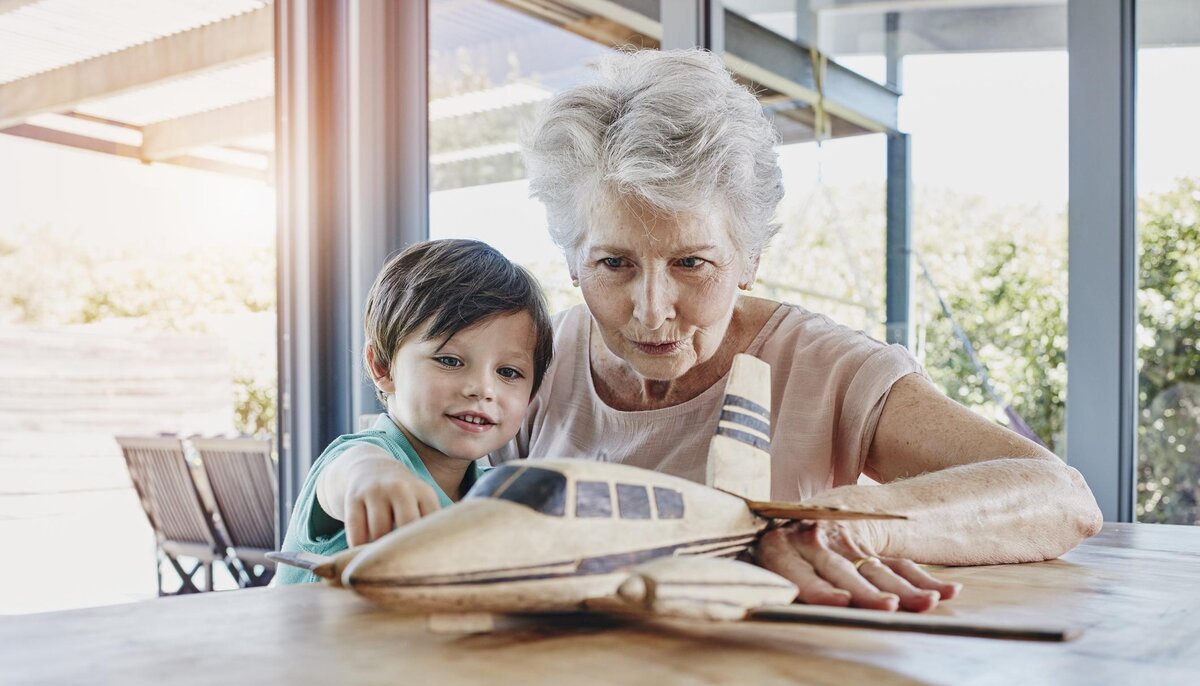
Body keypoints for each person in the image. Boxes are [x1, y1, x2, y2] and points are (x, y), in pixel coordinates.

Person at [492, 48, 1103, 612]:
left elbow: (1060, 497)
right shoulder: (533, 356)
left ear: (750, 258)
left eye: (692, 264)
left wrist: (852, 520)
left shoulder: (825, 366)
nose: (652, 311)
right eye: (614, 263)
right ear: (572, 261)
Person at [275, 239, 554, 585]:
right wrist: (370, 475)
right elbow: (345, 473)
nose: (482, 389)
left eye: (508, 372)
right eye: (450, 361)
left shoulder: (491, 495)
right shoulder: (367, 456)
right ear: (383, 367)